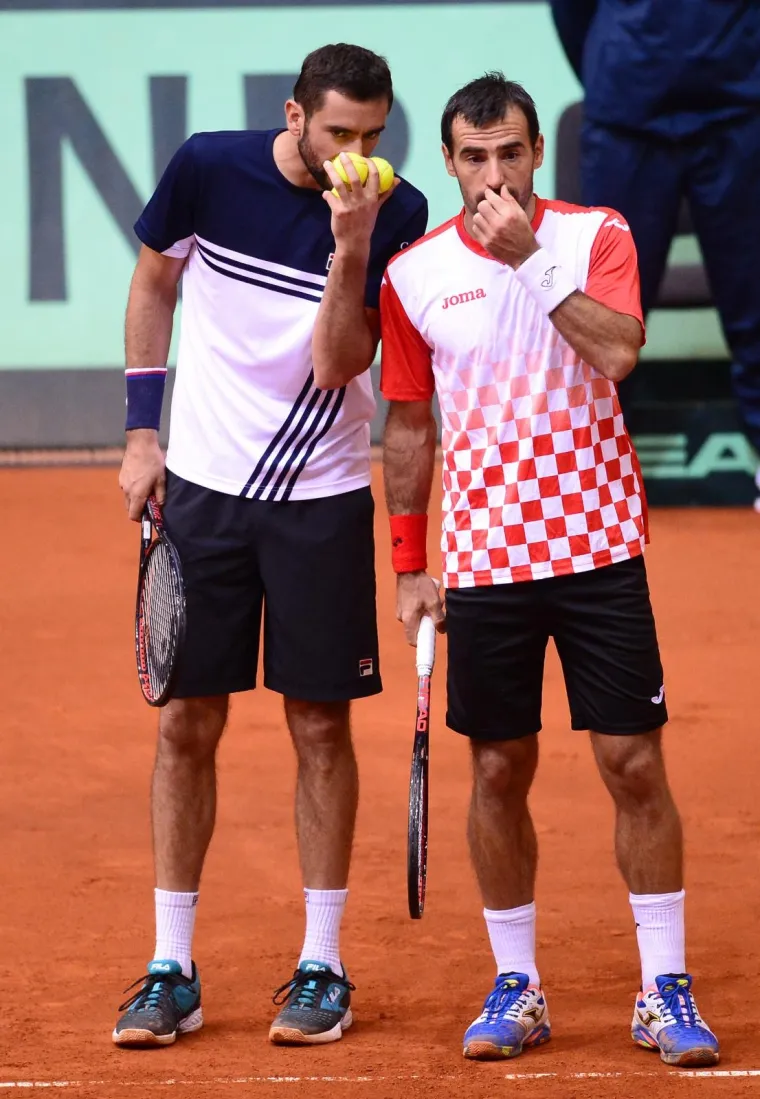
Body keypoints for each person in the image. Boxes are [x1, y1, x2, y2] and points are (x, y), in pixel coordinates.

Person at [380, 73, 719, 1068]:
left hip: (599, 549)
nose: (495, 173)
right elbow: (408, 429)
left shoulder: (593, 235)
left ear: (537, 154)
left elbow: (616, 354)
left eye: (511, 153)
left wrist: (529, 260)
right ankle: (516, 985)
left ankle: (663, 986)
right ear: (448, 161)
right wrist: (409, 563)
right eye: (474, 156)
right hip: (484, 561)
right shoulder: (411, 274)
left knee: (632, 763)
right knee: (496, 767)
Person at [114, 42, 427, 1049]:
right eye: (339, 132)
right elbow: (155, 283)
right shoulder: (209, 166)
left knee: (319, 728)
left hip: (321, 499)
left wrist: (351, 241)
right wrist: (140, 431)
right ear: (294, 115)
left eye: (374, 137)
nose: (357, 153)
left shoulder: (395, 212)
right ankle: (171, 964)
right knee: (185, 725)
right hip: (202, 491)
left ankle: (322, 961)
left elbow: (338, 365)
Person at [550, 0, 760, 504]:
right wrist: (614, 73)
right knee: (600, 306)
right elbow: (570, 10)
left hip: (739, 107)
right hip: (626, 113)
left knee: (755, 297)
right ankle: (591, 472)